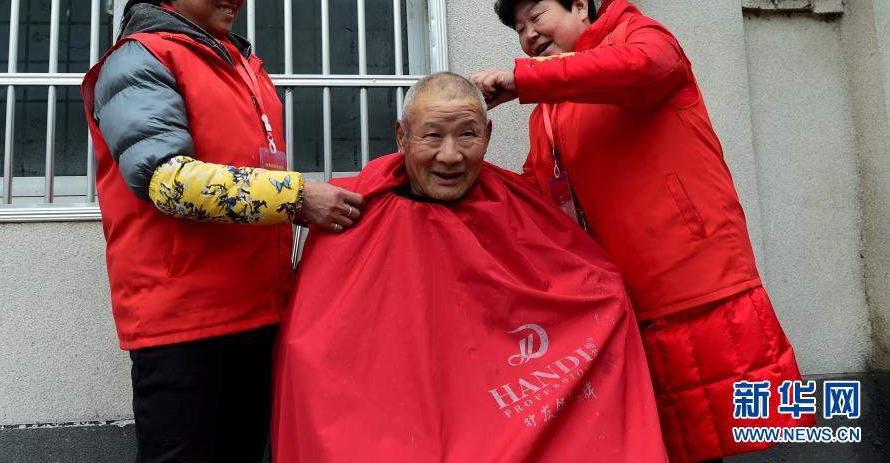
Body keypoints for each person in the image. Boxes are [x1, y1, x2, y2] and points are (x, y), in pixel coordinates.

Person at [470, 0, 813, 462]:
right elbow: (537, 191)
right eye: (518, 29)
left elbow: (642, 68)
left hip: (693, 282)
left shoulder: (638, 34)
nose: (528, 36)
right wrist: (462, 170)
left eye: (536, 17)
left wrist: (525, 80)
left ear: (580, 5)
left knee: (715, 443)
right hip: (624, 302)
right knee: (663, 444)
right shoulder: (550, 108)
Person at [271, 72, 668, 463]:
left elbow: (593, 288)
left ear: (489, 135)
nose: (450, 155)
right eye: (431, 136)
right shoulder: (352, 210)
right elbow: (315, 356)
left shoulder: (515, 204)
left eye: (467, 134)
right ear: (401, 136)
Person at [81, 0, 364, 462]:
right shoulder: (141, 59)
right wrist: (298, 198)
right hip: (185, 323)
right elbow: (168, 181)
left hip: (259, 311)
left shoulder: (241, 62)